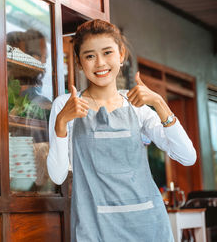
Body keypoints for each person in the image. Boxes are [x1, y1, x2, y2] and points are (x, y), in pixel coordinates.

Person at [46, 19, 196, 241]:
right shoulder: (65, 105)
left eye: (107, 52)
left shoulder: (137, 106)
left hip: (148, 224)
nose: (100, 63)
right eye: (89, 56)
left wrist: (159, 103)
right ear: (79, 62)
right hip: (94, 226)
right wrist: (61, 123)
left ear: (121, 54)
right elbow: (57, 176)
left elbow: (187, 157)